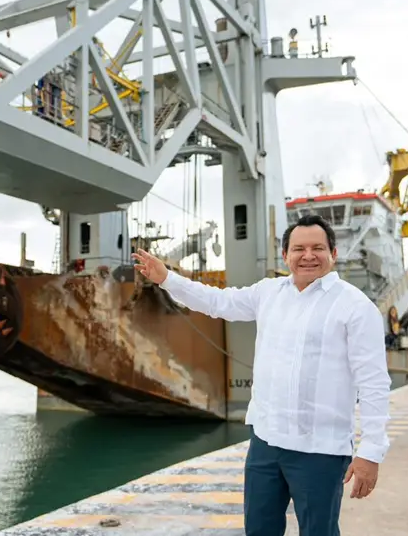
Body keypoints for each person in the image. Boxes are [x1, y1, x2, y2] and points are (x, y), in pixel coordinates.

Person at [132, 214, 391, 536]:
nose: (307, 255)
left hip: (319, 449)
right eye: (298, 248)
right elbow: (217, 301)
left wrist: (371, 451)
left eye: (317, 248)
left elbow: (373, 382)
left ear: (333, 254)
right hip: (266, 441)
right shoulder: (269, 293)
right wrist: (167, 279)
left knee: (318, 531)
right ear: (285, 255)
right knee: (259, 529)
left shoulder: (355, 306)